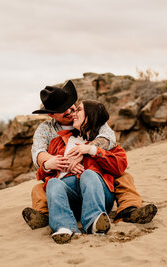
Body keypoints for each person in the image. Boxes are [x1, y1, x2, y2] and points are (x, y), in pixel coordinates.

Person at [22, 80, 157, 230]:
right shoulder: (46, 130)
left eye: (71, 105)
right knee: (40, 188)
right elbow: (38, 152)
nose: (69, 111)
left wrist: (85, 151)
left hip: (94, 179)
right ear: (51, 115)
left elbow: (109, 138)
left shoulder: (92, 118)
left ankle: (128, 211)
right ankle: (45, 216)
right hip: (65, 184)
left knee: (123, 177)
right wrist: (55, 162)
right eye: (62, 109)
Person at [39, 100, 127, 243]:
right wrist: (50, 165)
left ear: (90, 115)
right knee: (54, 183)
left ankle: (93, 222)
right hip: (70, 197)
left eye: (78, 110)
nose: (74, 113)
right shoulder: (59, 141)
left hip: (98, 194)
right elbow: (42, 175)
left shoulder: (103, 142)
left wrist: (91, 150)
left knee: (88, 174)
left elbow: (120, 166)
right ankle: (64, 227)